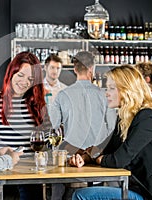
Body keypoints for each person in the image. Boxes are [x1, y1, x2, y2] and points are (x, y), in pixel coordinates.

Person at [70, 65, 152, 200]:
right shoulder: (125, 118)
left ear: (127, 90)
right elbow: (104, 149)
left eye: (112, 88)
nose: (106, 93)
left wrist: (99, 158)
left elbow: (119, 159)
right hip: (138, 187)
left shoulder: (147, 117)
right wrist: (85, 157)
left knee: (81, 195)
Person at [0, 51, 51, 200]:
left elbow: (48, 139)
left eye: (30, 79)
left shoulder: (38, 105)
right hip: (0, 174)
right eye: (20, 75)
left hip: (31, 177)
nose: (24, 82)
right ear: (11, 73)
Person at [49, 51, 117, 200]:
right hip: (97, 159)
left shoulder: (62, 95)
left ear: (74, 69)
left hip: (70, 159)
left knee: (60, 189)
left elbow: (54, 126)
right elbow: (113, 127)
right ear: (92, 68)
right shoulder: (104, 95)